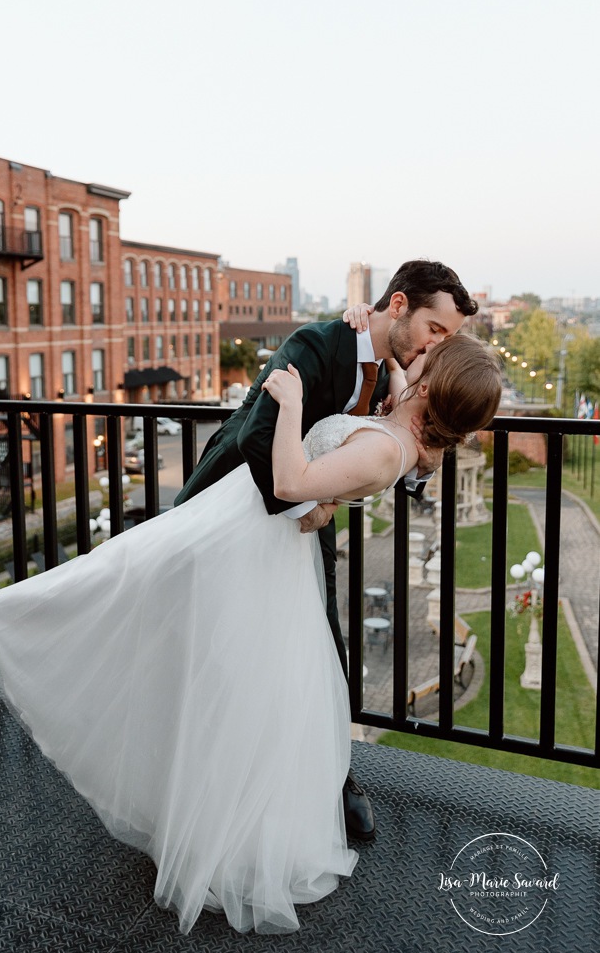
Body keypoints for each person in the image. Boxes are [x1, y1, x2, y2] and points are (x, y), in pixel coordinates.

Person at [0, 335, 501, 936]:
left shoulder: (387, 451)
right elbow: (386, 399)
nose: (419, 353)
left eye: (430, 356)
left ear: (430, 385)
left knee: (126, 574)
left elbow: (289, 481)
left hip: (249, 538)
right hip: (246, 527)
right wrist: (373, 339)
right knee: (133, 577)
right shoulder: (403, 422)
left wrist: (290, 402)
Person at [174, 258, 479, 841]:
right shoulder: (315, 344)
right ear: (397, 307)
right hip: (241, 500)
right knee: (197, 624)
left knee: (321, 646)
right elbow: (254, 437)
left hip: (306, 523)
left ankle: (335, 777)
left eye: (449, 338)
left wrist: (334, 502)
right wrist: (308, 505)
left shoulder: (399, 365)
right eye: (435, 331)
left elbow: (398, 453)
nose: (437, 347)